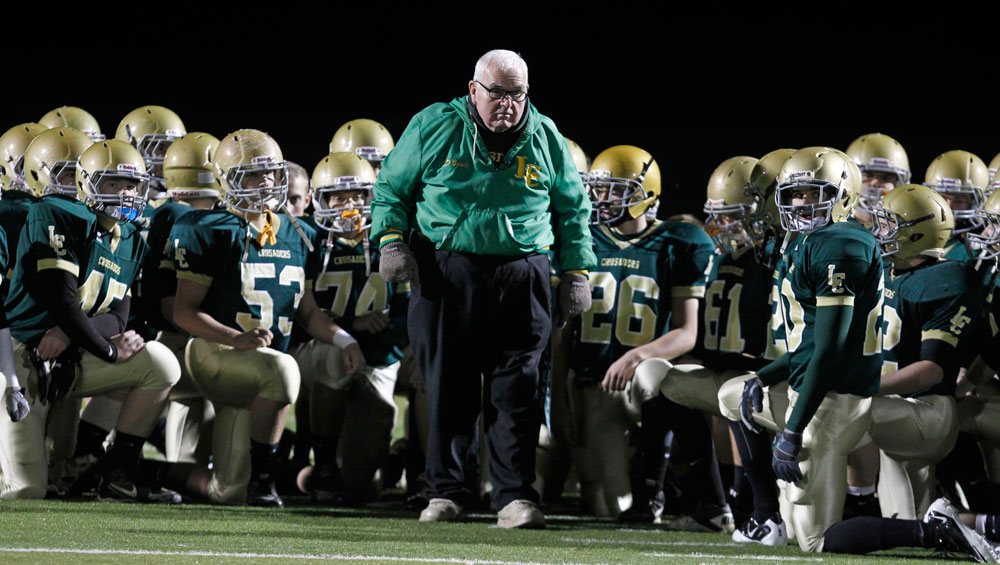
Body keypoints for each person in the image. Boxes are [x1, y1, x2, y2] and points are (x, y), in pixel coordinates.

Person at [370, 49, 596, 529]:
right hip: (447, 267)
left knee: (519, 388)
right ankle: (446, 491)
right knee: (448, 384)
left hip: (523, 270)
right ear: (473, 89)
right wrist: (391, 242)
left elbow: (573, 208)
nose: (507, 104)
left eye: (517, 94)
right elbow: (391, 189)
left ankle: (515, 495)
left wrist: (576, 271)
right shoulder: (434, 125)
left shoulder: (546, 135)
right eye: (497, 92)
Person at [160, 129, 364, 507]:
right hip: (215, 352)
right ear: (226, 179)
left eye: (270, 172)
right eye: (252, 174)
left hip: (261, 367)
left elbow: (307, 310)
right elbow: (183, 312)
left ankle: (149, 471)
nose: (265, 182)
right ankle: (266, 481)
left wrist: (344, 340)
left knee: (227, 490)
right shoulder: (206, 229)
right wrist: (233, 338)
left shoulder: (299, 232)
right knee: (285, 370)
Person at [718, 147, 883, 552]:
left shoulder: (839, 244)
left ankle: (932, 531)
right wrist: (762, 376)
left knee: (815, 541)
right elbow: (811, 346)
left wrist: (792, 431)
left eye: (813, 193)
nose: (801, 203)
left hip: (835, 398)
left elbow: (827, 353)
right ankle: (765, 511)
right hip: (815, 385)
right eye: (795, 195)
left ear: (843, 195)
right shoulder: (809, 242)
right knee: (732, 393)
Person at [0, 140, 182, 502]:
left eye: (132, 185)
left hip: (68, 352)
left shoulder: (131, 236)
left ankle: (109, 469)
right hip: (23, 357)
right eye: (115, 183)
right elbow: (63, 301)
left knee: (159, 364)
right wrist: (107, 351)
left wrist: (72, 340)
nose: (127, 193)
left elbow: (118, 315)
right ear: (88, 183)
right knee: (28, 490)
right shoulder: (60, 215)